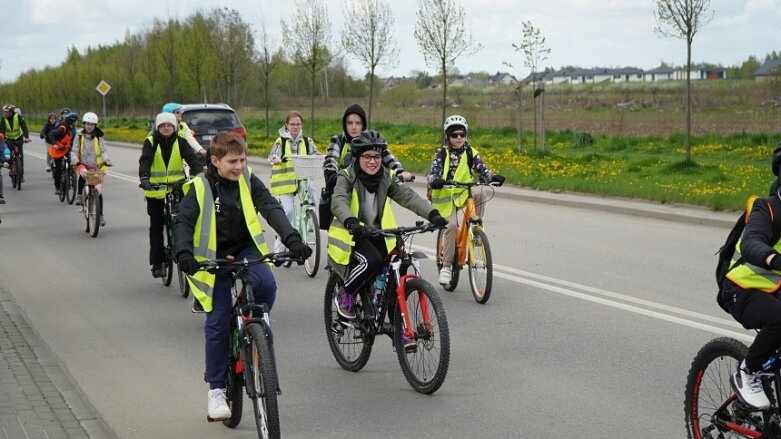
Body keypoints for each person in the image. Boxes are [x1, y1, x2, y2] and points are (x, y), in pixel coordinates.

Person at [172, 131, 312, 421]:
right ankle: (216, 391)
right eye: (232, 161)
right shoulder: (200, 186)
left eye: (242, 160)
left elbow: (271, 208)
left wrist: (293, 239)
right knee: (218, 319)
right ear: (215, 160)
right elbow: (183, 221)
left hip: (246, 248)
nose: (238, 166)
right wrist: (184, 253)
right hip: (213, 256)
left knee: (267, 284)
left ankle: (253, 330)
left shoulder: (247, 179)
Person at [327, 130, 448, 326]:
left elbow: (408, 197)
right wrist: (351, 222)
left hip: (379, 233)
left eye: (377, 157)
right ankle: (345, 294)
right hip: (353, 234)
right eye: (367, 157)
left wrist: (433, 214)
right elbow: (338, 201)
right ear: (357, 157)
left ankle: (397, 325)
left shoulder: (386, 177)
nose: (373, 161)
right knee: (371, 261)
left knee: (399, 264)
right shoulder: (347, 176)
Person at [724, 146, 781, 410]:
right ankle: (748, 371)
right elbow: (751, 242)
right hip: (742, 289)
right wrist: (771, 258)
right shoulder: (767, 209)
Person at [427, 114, 505, 286]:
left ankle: (475, 227)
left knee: (481, 192)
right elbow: (432, 172)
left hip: (463, 191)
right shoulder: (441, 153)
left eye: (462, 134)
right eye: (455, 135)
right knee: (452, 226)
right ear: (448, 136)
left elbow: (482, 169)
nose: (459, 138)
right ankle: (447, 266)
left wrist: (492, 177)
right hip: (445, 196)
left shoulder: (471, 152)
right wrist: (435, 180)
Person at [139, 112, 203, 279]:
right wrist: (144, 178)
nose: (166, 128)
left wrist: (199, 174)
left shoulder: (180, 142)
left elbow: (192, 159)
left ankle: (185, 253)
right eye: (163, 126)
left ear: (174, 127)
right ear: (158, 127)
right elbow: (145, 160)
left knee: (183, 222)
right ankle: (158, 263)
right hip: (155, 190)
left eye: (169, 125)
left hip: (177, 188)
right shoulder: (151, 142)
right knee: (156, 226)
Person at [322, 104, 413, 196]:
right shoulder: (338, 140)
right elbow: (330, 160)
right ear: (344, 125)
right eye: (349, 123)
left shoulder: (372, 141)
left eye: (358, 123)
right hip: (342, 190)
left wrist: (399, 171)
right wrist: (331, 175)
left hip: (367, 192)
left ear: (363, 125)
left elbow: (388, 157)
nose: (354, 127)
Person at [268, 111, 320, 252]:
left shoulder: (307, 141)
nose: (295, 127)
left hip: (302, 179)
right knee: (288, 212)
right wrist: (276, 159)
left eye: (298, 124)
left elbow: (315, 154)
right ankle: (280, 244)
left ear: (301, 124)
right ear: (287, 125)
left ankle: (309, 221)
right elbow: (272, 155)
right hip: (285, 183)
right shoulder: (281, 141)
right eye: (292, 124)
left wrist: (321, 158)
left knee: (312, 194)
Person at [71, 112, 111, 226]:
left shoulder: (99, 136)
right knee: (83, 174)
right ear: (84, 124)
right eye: (88, 124)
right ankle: (79, 195)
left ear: (95, 125)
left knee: (98, 191)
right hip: (82, 163)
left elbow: (103, 150)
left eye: (92, 124)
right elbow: (74, 150)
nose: (89, 126)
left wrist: (106, 160)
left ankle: (101, 215)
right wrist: (75, 160)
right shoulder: (79, 135)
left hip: (96, 166)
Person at [46, 112, 79, 195]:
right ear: (72, 121)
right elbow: (51, 135)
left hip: (66, 149)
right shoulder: (62, 128)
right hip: (57, 150)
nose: (76, 122)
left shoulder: (72, 128)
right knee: (58, 169)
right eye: (75, 121)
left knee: (73, 161)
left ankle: (70, 175)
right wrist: (54, 144)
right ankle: (57, 187)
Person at [0, 104, 30, 180]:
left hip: (18, 138)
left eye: (6, 112)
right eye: (4, 112)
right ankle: (11, 169)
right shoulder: (3, 119)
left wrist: (26, 137)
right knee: (8, 155)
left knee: (20, 156)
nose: (5, 113)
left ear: (11, 112)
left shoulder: (18, 117)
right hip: (8, 139)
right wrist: (2, 139)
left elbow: (24, 126)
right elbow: (2, 130)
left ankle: (21, 175)